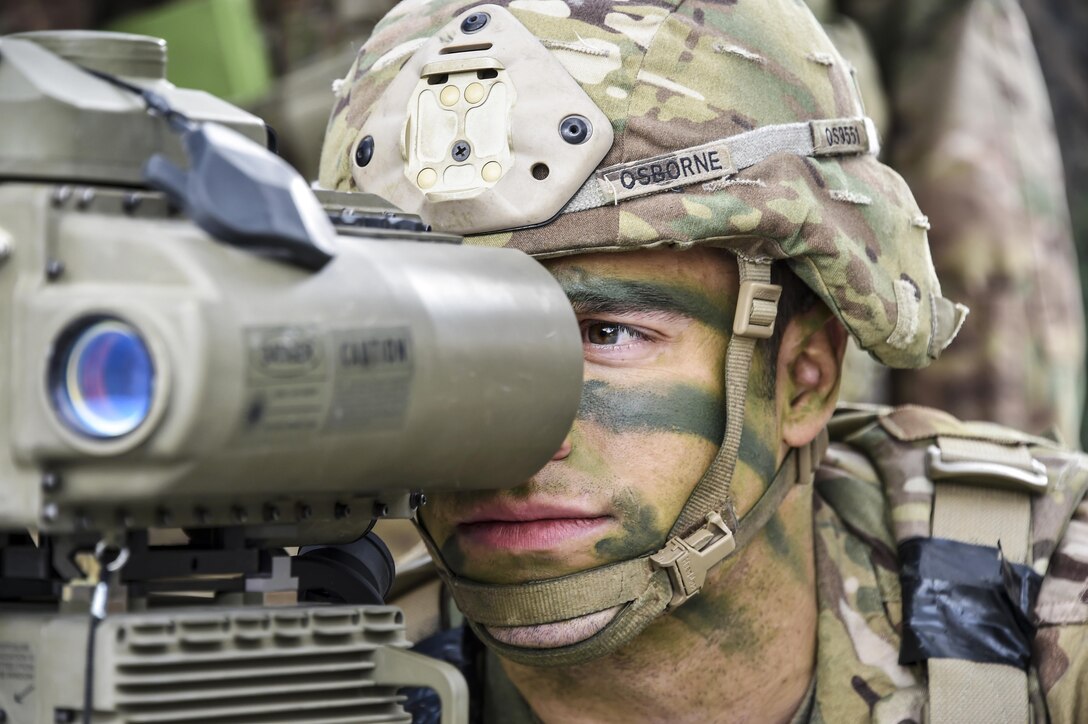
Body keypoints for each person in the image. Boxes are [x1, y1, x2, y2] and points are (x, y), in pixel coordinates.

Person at [319, 1, 1088, 721]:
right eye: (449, 342)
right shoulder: (336, 645)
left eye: (605, 335)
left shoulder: (1050, 597)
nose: (507, 442)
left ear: (804, 376)